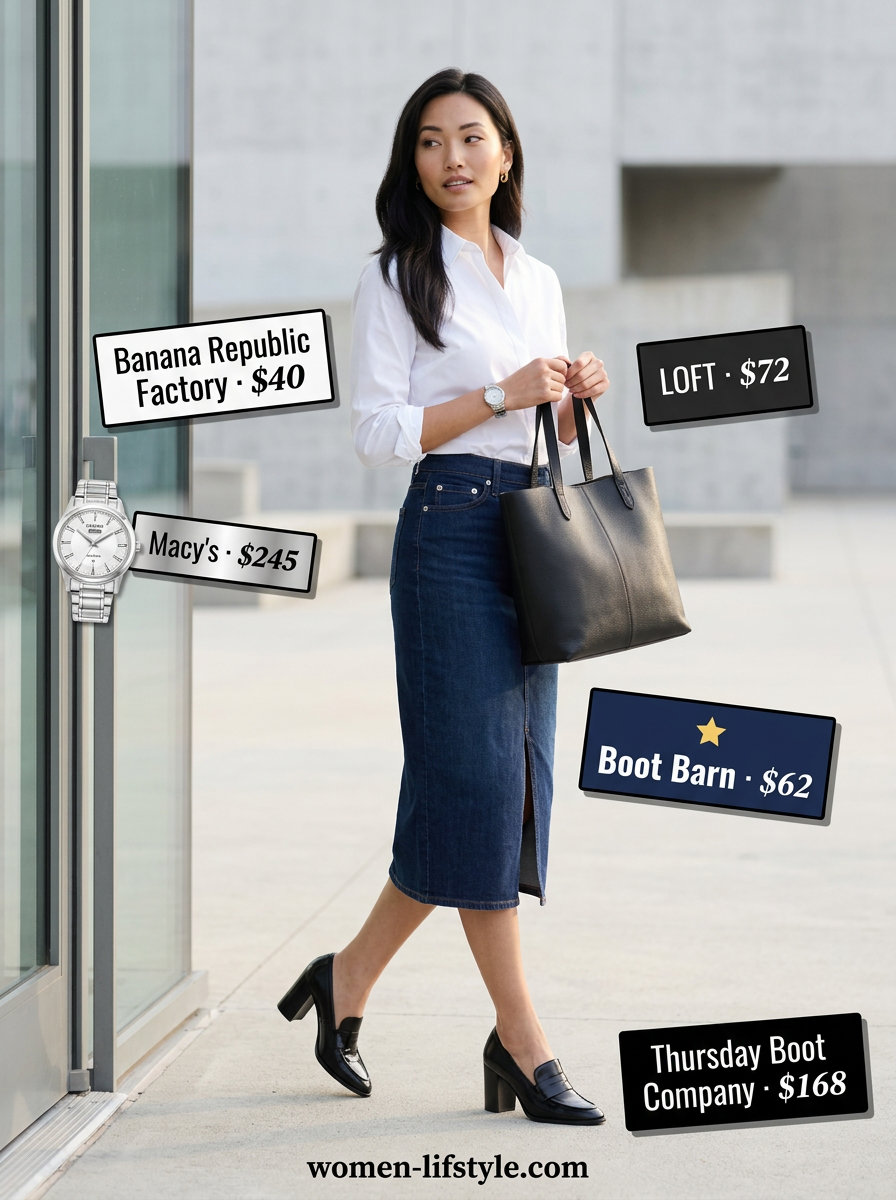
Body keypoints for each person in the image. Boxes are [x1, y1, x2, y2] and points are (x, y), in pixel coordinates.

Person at [278, 68, 610, 1125]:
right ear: (412, 161)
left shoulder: (538, 278)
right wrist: (500, 392)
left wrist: (568, 398)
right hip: (449, 537)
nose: (451, 157)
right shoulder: (394, 277)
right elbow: (379, 433)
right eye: (429, 141)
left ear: (505, 153)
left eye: (470, 137)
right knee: (475, 787)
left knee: (495, 791)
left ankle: (345, 980)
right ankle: (522, 1041)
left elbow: (541, 432)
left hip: (533, 536)